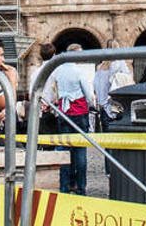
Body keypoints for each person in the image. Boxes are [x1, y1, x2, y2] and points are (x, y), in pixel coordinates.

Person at [43, 43, 95, 195]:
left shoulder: (58, 70)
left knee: (64, 149)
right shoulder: (80, 71)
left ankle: (65, 185)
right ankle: (81, 187)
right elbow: (88, 93)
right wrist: (92, 103)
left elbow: (50, 91)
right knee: (80, 150)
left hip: (63, 112)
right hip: (79, 112)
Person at [94, 39, 132, 131]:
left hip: (103, 107)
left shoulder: (100, 67)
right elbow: (128, 80)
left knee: (107, 140)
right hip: (117, 106)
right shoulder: (120, 63)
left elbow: (95, 86)